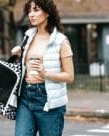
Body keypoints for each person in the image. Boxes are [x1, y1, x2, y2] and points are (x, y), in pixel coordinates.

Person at [11, 0, 74, 135]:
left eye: (36, 10)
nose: (31, 14)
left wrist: (45, 73)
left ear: (47, 13)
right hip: (25, 96)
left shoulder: (61, 41)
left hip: (48, 100)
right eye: (29, 11)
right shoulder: (28, 36)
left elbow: (69, 76)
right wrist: (19, 53)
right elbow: (26, 64)